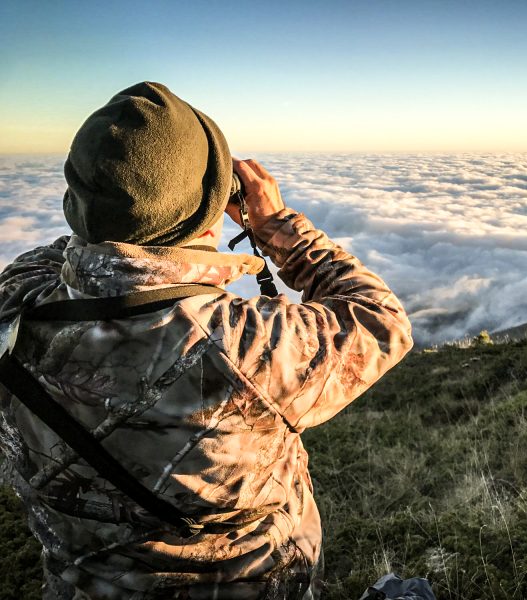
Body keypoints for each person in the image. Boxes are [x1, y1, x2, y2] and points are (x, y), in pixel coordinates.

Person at [0, 82, 413, 599]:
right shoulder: (244, 349)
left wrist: (125, 207)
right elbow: (382, 320)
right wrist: (276, 226)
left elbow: (81, 251)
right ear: (208, 207)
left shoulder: (15, 304)